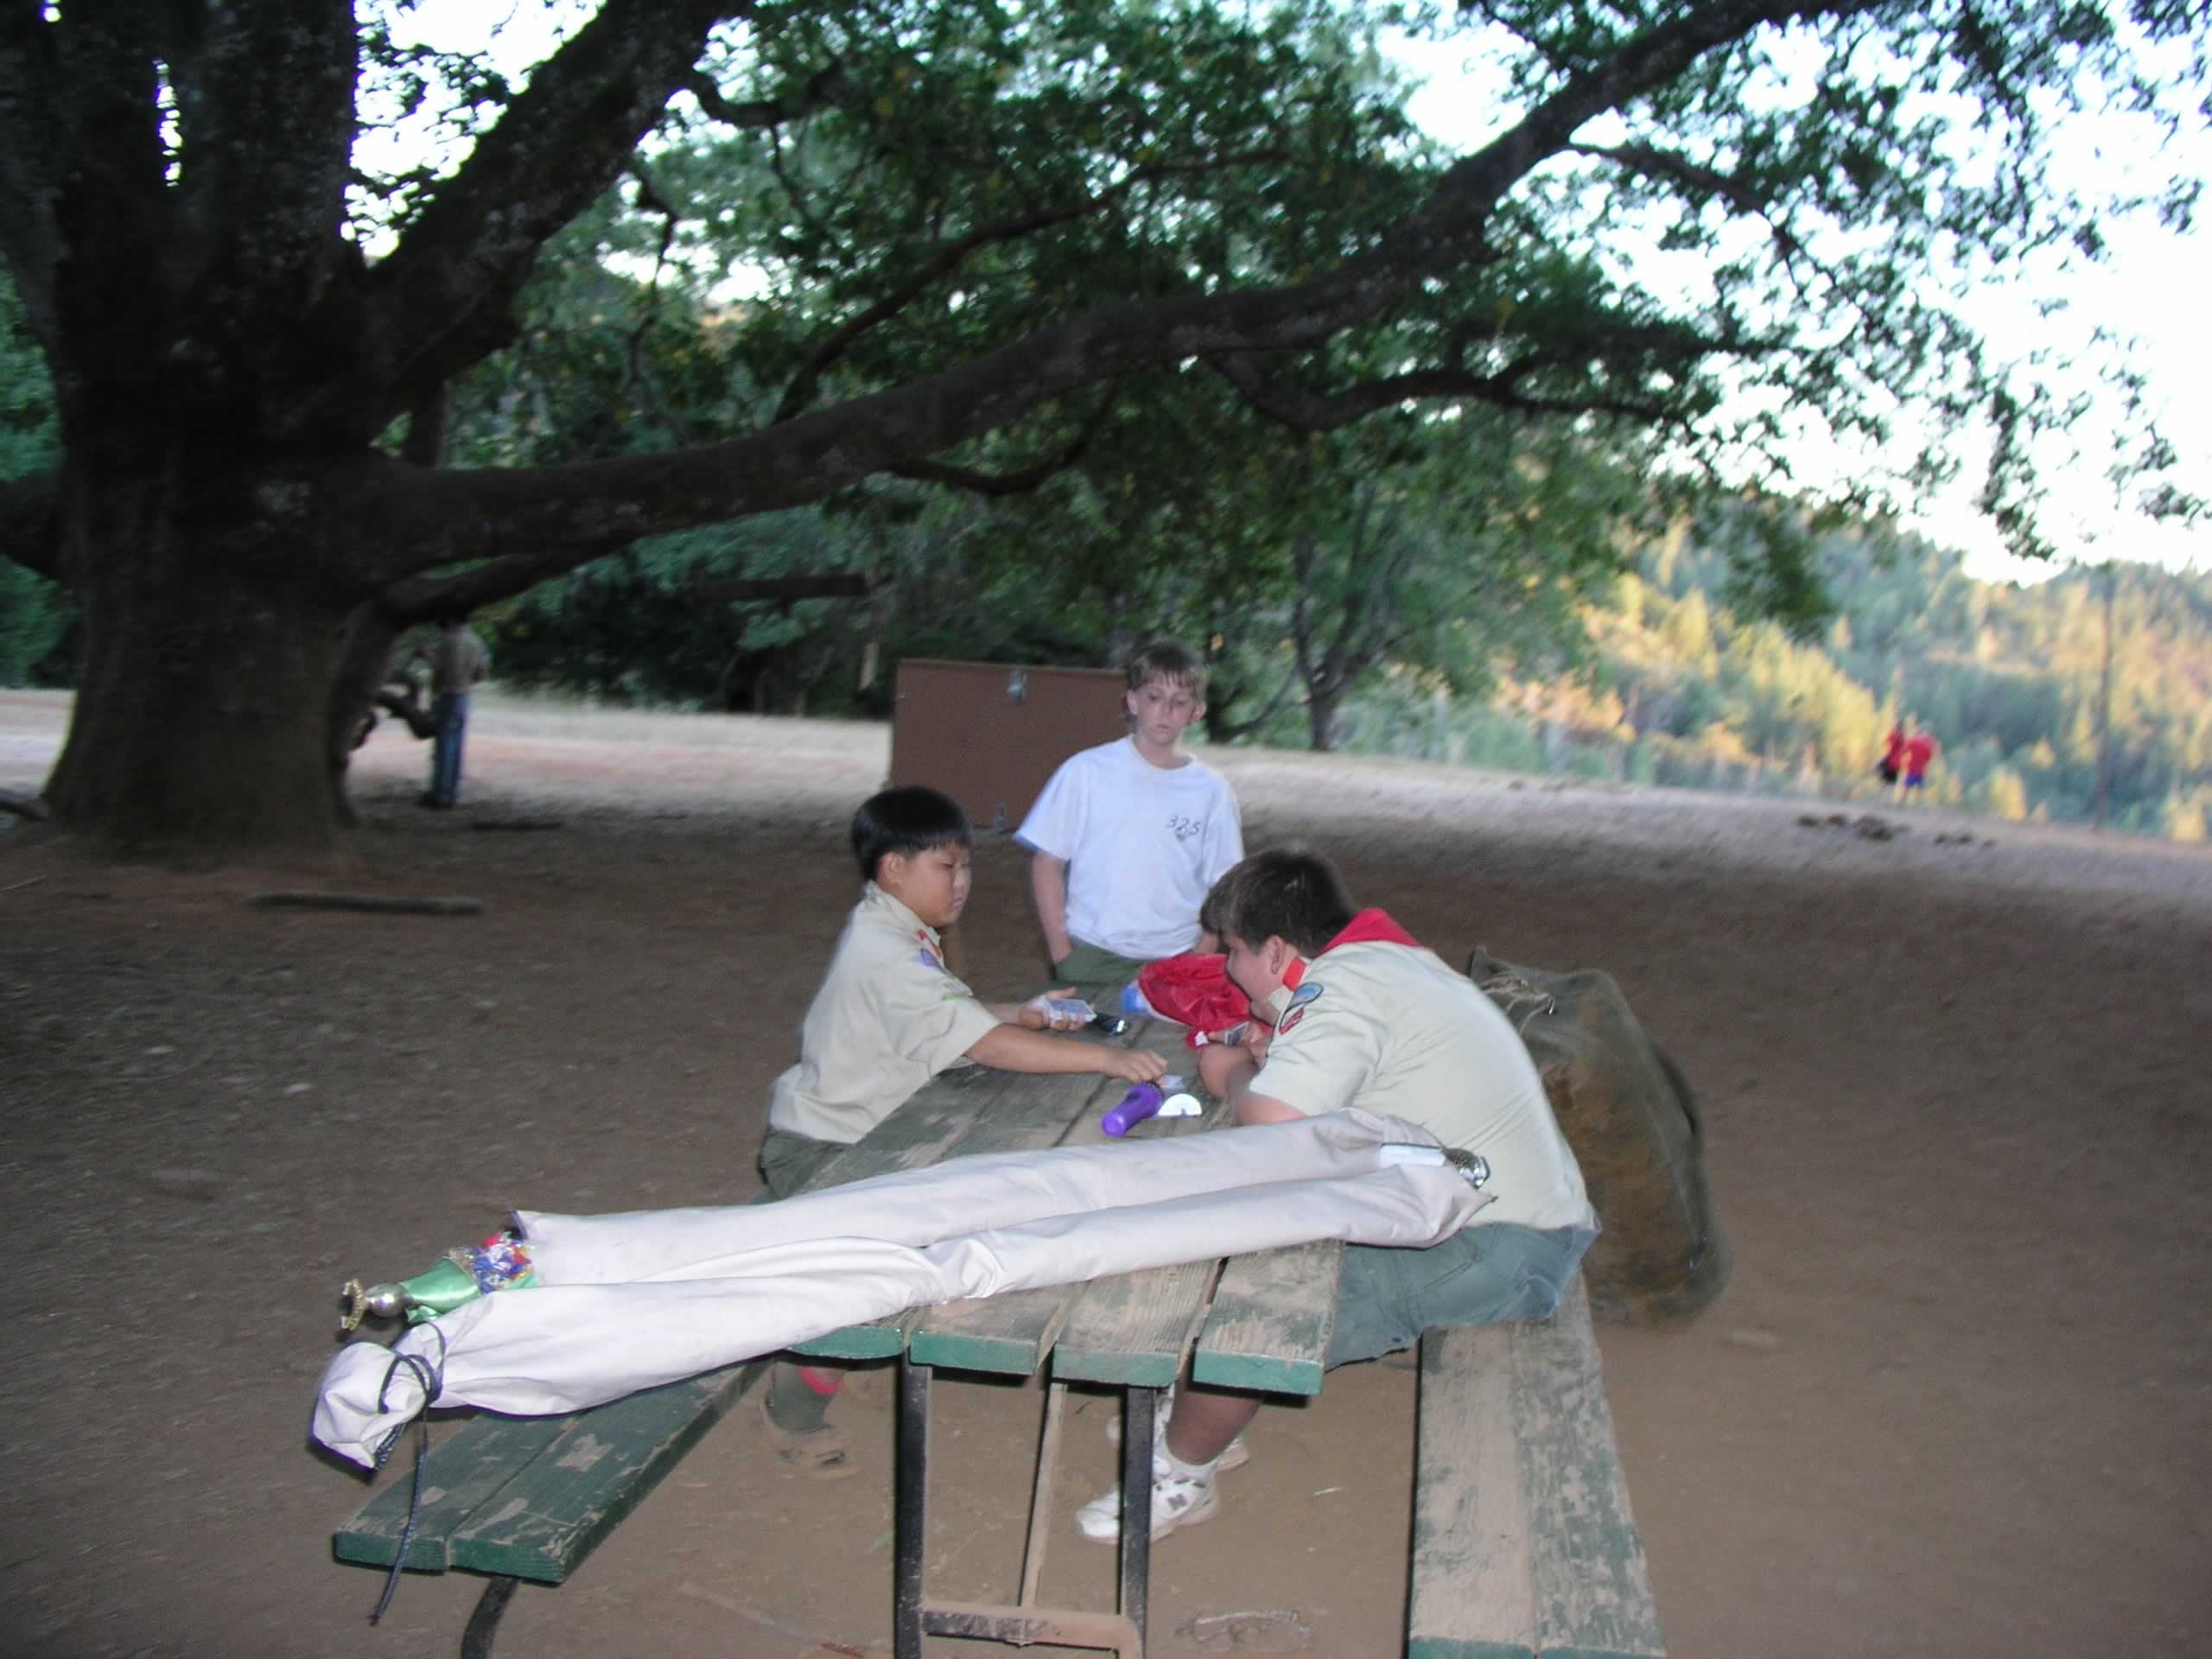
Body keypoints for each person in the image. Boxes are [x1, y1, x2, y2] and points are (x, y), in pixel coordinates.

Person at [1072, 845, 1597, 1544]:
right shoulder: (1384, 964)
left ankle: (1182, 1473)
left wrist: (1229, 1072)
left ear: (1276, 949)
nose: (1227, 968)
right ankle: (1206, 1421)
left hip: (1503, 1244)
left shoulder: (1343, 987)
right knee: (1260, 1236)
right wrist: (1272, 1055)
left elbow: (1275, 1127)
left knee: (1262, 1307)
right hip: (1497, 1209)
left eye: (1233, 950)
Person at [757, 785, 1170, 1474]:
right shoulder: (888, 952)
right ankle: (793, 1405)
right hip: (827, 1151)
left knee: (957, 1205)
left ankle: (845, 1354)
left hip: (867, 1131)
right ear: (894, 869)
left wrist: (1019, 1014)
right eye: (946, 867)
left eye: (966, 866)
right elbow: (984, 1046)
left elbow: (947, 1014)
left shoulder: (893, 926)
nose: (962, 883)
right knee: (883, 1269)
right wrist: (1106, 1059)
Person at [1017, 640, 1243, 987]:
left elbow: (1224, 884)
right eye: (1154, 697)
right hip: (1091, 952)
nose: (1166, 710)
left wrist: (1202, 953)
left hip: (1177, 957)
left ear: (1197, 712)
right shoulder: (1085, 772)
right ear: (1133, 701)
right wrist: (1062, 953)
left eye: (1180, 702)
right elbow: (1047, 862)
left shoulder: (1212, 791)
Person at [419, 612, 490, 809]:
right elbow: (482, 673)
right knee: (456, 745)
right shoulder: (477, 641)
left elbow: (439, 666)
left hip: (446, 695)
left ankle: (439, 794)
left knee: (444, 746)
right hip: (464, 696)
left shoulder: (448, 640)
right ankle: (451, 792)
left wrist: (425, 655)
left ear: (452, 618)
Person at [1900, 723, 1938, 803]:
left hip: (1915, 768)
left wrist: (1902, 757)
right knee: (1919, 788)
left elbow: (1905, 749)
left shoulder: (1916, 740)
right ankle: (1916, 804)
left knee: (1908, 787)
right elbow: (1930, 757)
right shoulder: (1930, 744)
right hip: (1919, 769)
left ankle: (1901, 803)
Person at [1878, 721, 1907, 789]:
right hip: (1897, 762)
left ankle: (1881, 794)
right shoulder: (1903, 736)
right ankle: (1887, 795)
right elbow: (1905, 750)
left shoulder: (1894, 734)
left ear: (1896, 727)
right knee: (1891, 782)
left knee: (1884, 780)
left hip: (1890, 760)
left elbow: (1886, 743)